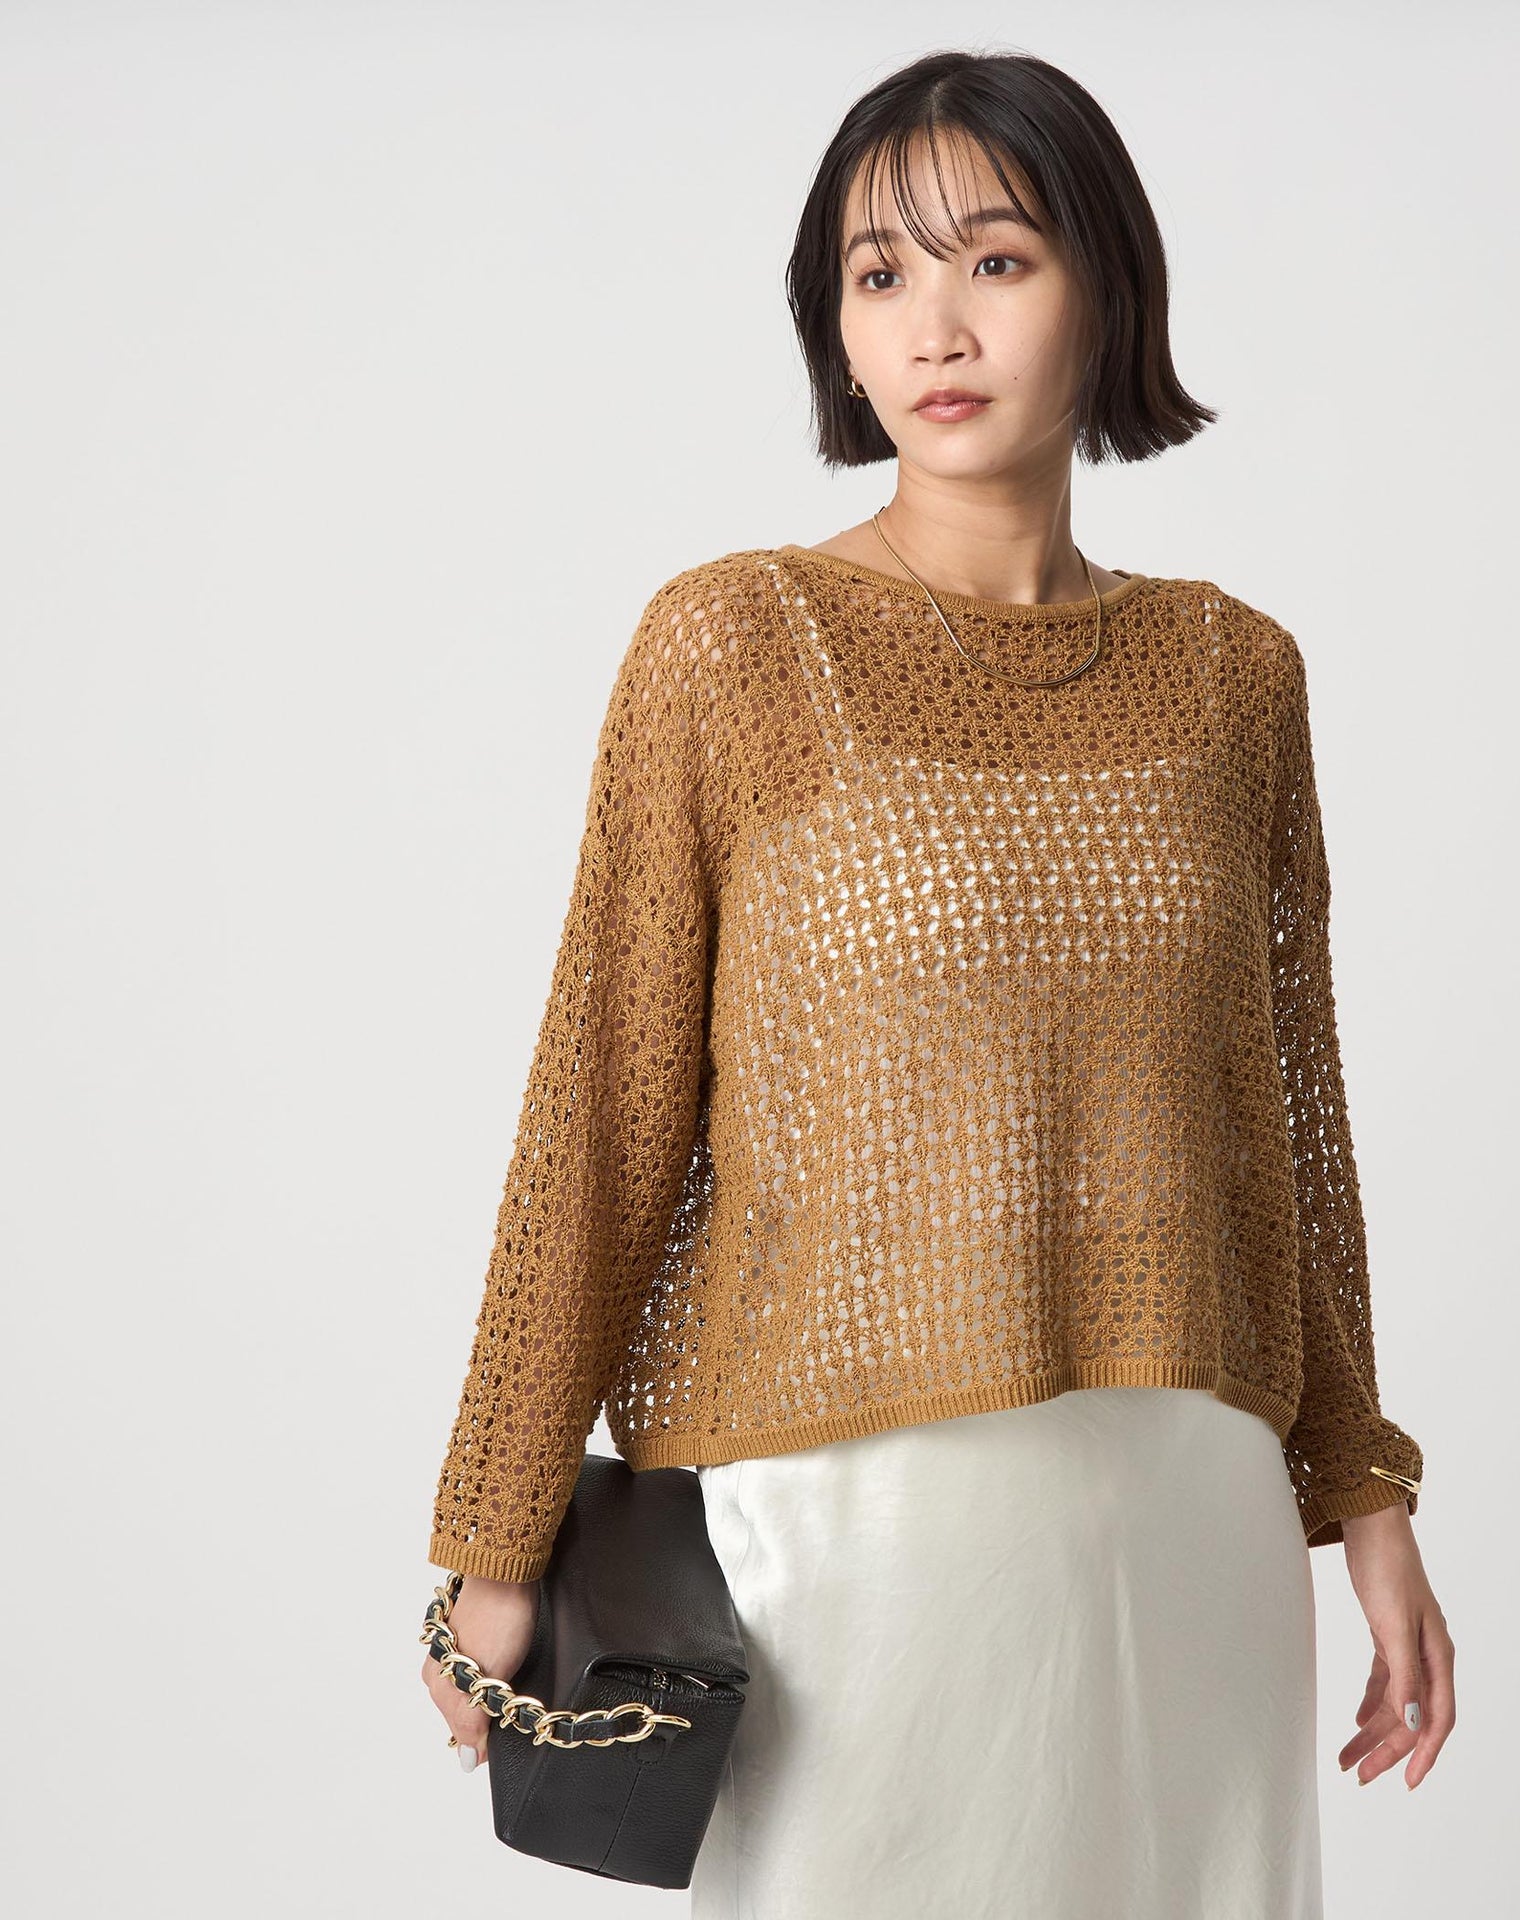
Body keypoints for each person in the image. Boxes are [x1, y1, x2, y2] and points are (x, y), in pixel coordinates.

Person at [421, 47, 1455, 1918]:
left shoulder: (1237, 677)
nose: (934, 324)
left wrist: (1364, 1498)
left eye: (996, 258)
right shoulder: (735, 645)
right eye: (879, 274)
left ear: (1105, 287)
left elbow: (1284, 1133)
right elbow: (605, 1108)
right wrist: (500, 1534)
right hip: (860, 1535)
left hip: (1193, 1519)